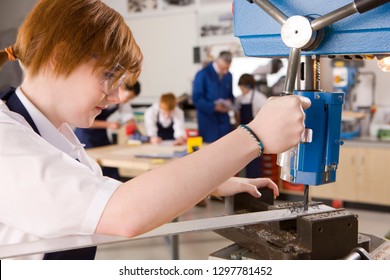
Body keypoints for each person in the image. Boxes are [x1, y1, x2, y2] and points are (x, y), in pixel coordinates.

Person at [0, 0, 310, 260]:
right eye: (108, 76)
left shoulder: (56, 137)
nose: (116, 97)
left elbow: (99, 193)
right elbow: (122, 213)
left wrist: (208, 182)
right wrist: (254, 136)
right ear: (59, 58)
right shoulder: (5, 138)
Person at [74, 81, 141, 180]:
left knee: (111, 168)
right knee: (90, 168)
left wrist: (139, 135)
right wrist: (109, 125)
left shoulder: (123, 102)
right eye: (129, 97)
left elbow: (130, 120)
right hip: (86, 135)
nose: (128, 100)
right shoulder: (99, 97)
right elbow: (83, 122)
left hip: (101, 135)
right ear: (121, 88)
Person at [192, 51, 235, 143]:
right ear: (217, 62)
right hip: (208, 123)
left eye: (227, 68)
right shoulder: (202, 74)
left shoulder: (228, 76)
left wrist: (229, 102)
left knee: (225, 150)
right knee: (209, 152)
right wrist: (214, 107)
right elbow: (196, 99)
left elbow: (230, 95)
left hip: (224, 123)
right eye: (223, 68)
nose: (225, 71)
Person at [234, 73, 268, 178]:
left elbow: (265, 116)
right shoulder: (239, 99)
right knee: (242, 161)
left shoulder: (260, 98)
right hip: (242, 133)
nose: (241, 90)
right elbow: (236, 113)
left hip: (256, 134)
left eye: (242, 88)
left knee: (254, 160)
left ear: (248, 86)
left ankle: (254, 186)